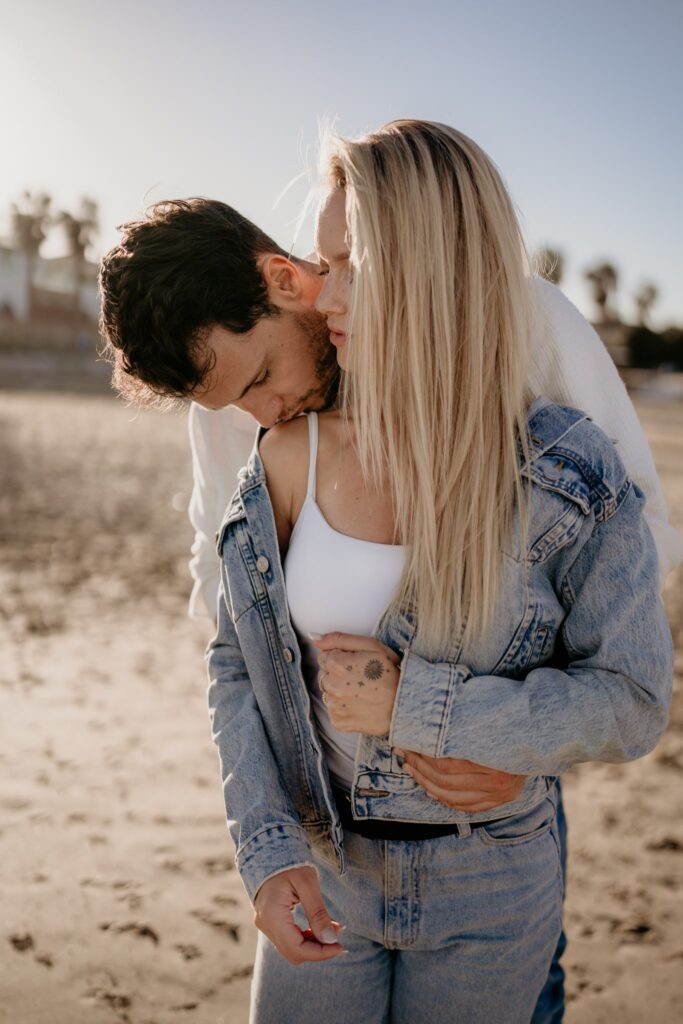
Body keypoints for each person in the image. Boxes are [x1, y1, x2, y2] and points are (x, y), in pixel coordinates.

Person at [99, 186, 680, 1023]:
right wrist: (266, 849)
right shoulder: (250, 416)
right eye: (232, 405)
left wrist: (501, 734)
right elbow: (230, 622)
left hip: (492, 855)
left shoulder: (523, 318)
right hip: (332, 849)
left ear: (284, 280)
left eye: (261, 376)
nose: (259, 413)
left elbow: (633, 543)